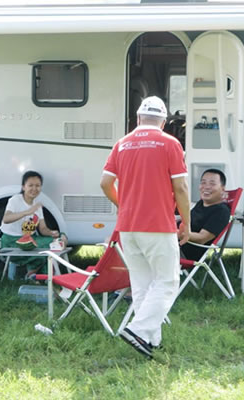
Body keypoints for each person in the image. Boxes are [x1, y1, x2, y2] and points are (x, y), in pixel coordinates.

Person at [100, 96, 191, 358]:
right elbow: (181, 188)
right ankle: (139, 330)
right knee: (167, 281)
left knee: (142, 284)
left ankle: (150, 339)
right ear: (163, 122)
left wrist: (124, 204)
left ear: (138, 118)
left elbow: (105, 183)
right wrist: (186, 220)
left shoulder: (122, 143)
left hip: (128, 226)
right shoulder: (170, 143)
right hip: (158, 225)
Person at [0, 170, 67, 280]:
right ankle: (36, 275)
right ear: (23, 187)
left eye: (38, 185)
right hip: (11, 242)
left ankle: (40, 276)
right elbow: (6, 219)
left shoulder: (37, 205)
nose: (34, 189)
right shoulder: (15, 200)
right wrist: (26, 212)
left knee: (60, 239)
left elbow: (43, 228)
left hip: (30, 240)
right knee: (50, 246)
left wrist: (52, 233)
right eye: (30, 185)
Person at [179, 168, 230, 261]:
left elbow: (202, 238)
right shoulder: (201, 204)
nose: (206, 187)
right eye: (203, 182)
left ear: (223, 189)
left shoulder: (221, 211)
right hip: (174, 244)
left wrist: (175, 234)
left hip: (183, 253)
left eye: (212, 183)